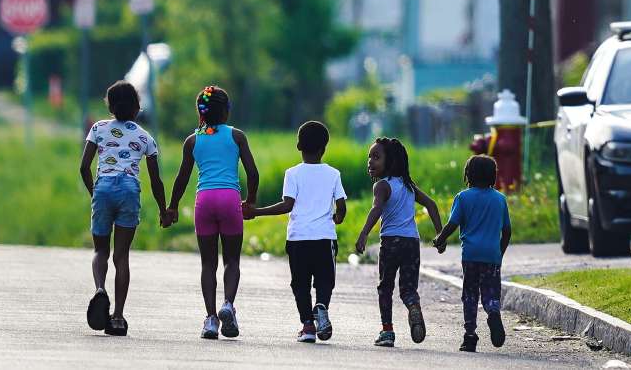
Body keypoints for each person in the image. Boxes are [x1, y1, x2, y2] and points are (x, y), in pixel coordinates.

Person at [166, 85, 259, 340]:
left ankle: (210, 320)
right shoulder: (237, 136)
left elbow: (182, 178)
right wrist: (249, 201)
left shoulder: (193, 140)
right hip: (230, 200)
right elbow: (253, 173)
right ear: (227, 111)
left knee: (208, 263)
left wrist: (172, 207)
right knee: (232, 260)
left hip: (204, 201)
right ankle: (228, 304)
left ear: (200, 112)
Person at [243, 121, 346, 343]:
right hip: (325, 238)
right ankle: (322, 307)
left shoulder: (292, 174)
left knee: (300, 283)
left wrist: (257, 211)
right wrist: (337, 218)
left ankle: (308, 326)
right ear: (324, 148)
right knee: (325, 280)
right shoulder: (333, 174)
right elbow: (341, 208)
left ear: (299, 146)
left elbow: (287, 205)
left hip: (299, 238)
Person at [78, 81, 167, 337]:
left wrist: (96, 194)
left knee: (100, 251)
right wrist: (164, 210)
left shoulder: (98, 128)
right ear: (138, 107)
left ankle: (99, 289)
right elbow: (156, 181)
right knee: (122, 256)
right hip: (129, 190)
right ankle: (117, 317)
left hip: (104, 187)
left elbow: (84, 168)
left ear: (110, 105)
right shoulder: (145, 137)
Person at [355, 137, 444, 348]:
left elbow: (376, 209)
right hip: (412, 243)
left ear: (391, 160)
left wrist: (364, 233)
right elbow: (431, 205)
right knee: (408, 289)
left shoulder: (382, 186)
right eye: (369, 157)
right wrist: (440, 234)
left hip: (391, 243)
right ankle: (413, 306)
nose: (370, 161)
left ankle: (387, 332)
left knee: (385, 288)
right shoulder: (408, 186)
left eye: (376, 157)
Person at [432, 155, 511, 353]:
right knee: (491, 292)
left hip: (470, 255)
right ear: (493, 176)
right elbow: (507, 231)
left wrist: (440, 239)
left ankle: (469, 336)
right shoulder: (500, 199)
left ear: (468, 174)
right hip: (492, 255)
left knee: (470, 294)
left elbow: (452, 224)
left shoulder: (463, 197)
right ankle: (493, 311)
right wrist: (499, 252)